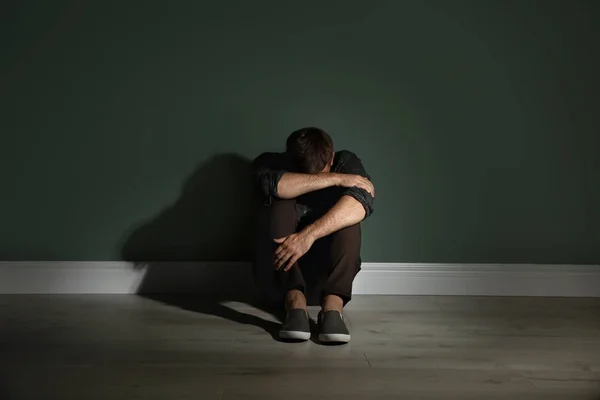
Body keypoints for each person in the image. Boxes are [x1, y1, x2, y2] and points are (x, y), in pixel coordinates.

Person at [251, 127, 375, 343]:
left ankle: (332, 310)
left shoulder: (346, 161)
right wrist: (334, 179)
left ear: (332, 156)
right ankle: (295, 306)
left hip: (328, 279)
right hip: (280, 280)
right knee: (277, 204)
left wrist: (307, 236)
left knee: (348, 216)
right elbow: (273, 185)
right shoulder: (269, 162)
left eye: (325, 171)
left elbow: (362, 202)